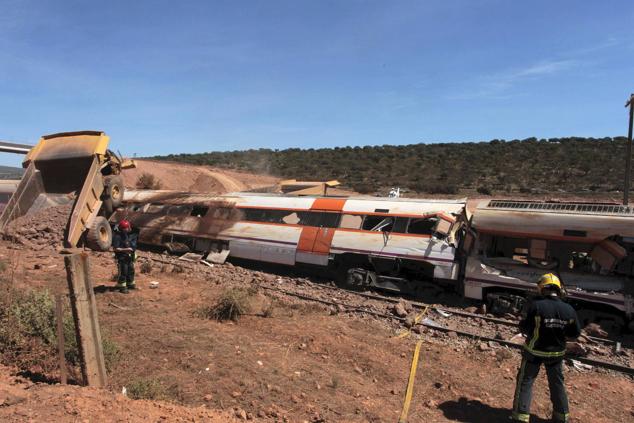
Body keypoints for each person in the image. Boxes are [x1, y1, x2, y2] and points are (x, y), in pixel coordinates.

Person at [511, 273, 581, 423]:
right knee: (557, 384)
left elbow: (526, 327)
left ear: (542, 289)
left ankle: (521, 416)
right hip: (556, 354)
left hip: (534, 352)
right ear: (559, 290)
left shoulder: (536, 306)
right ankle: (561, 416)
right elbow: (574, 333)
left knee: (526, 382)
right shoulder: (568, 309)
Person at [112, 219, 138, 293]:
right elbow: (115, 248)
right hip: (122, 258)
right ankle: (122, 286)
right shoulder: (117, 236)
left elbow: (128, 244)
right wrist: (126, 249)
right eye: (127, 227)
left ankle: (130, 284)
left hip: (128, 257)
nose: (129, 228)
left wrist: (132, 252)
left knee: (131, 270)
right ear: (123, 228)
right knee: (124, 271)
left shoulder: (125, 235)